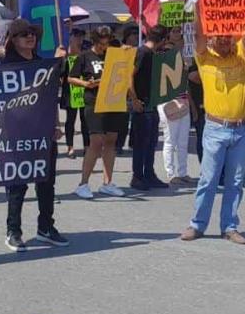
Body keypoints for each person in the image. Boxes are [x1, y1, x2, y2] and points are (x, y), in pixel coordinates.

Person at [180, 15, 245, 245]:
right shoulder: (205, 59)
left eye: (228, 36)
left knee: (235, 181)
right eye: (219, 36)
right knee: (208, 179)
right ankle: (197, 224)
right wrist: (200, 5)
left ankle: (229, 227)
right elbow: (199, 35)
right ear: (211, 39)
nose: (224, 40)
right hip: (215, 128)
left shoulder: (242, 56)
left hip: (242, 129)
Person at [1, 19, 67, 251]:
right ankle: (13, 231)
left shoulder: (43, 64)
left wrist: (56, 124)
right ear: (13, 40)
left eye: (32, 34)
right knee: (18, 183)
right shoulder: (7, 65)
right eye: (23, 34)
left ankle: (46, 227)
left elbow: (49, 98)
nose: (30, 37)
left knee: (47, 182)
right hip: (18, 132)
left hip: (43, 131)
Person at [68, 26, 126, 199]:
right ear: (94, 41)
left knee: (111, 140)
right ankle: (83, 184)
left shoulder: (112, 54)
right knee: (96, 141)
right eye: (101, 44)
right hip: (93, 102)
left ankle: (107, 183)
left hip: (112, 100)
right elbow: (71, 77)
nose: (104, 47)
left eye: (107, 43)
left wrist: (127, 51)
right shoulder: (84, 56)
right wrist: (86, 84)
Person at [129, 25, 168, 190]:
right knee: (141, 143)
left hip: (152, 104)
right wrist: (134, 99)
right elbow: (129, 74)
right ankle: (137, 177)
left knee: (151, 142)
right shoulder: (143, 52)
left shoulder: (153, 54)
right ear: (163, 39)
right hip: (142, 105)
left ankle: (149, 174)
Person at [158, 28, 193, 186]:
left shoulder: (183, 61)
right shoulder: (161, 64)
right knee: (170, 140)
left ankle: (183, 172)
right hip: (168, 103)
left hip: (183, 102)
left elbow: (186, 84)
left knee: (183, 141)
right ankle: (171, 173)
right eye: (167, 50)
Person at [62, 28, 89, 158]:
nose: (79, 39)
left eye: (81, 37)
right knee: (70, 121)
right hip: (70, 92)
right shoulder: (64, 53)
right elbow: (61, 73)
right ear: (71, 38)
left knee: (86, 120)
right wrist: (64, 57)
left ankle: (87, 146)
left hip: (84, 90)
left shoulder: (85, 50)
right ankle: (70, 147)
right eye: (76, 36)